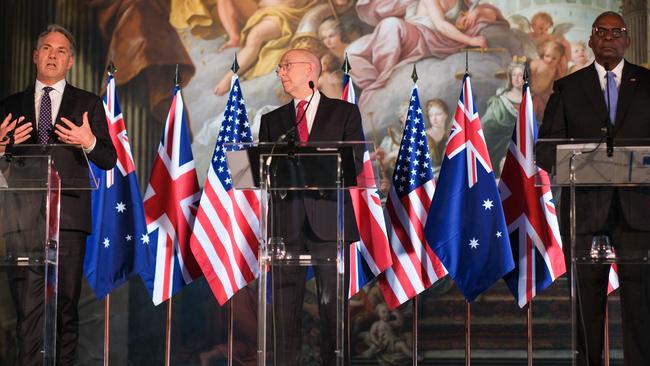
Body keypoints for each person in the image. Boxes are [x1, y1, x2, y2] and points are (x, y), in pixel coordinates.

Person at [536, 11, 650, 366]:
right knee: (587, 299)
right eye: (601, 31)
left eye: (617, 32)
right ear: (590, 40)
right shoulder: (568, 88)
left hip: (638, 210)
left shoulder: (647, 84)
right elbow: (546, 149)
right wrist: (579, 158)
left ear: (627, 40)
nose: (609, 37)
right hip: (585, 210)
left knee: (641, 300)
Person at [0, 24, 117, 366]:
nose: (53, 55)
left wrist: (89, 141)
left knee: (65, 309)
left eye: (61, 51)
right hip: (21, 221)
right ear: (35, 56)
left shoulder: (88, 104)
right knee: (26, 312)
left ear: (70, 62)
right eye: (47, 49)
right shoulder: (8, 105)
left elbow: (108, 159)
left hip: (67, 221)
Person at [258, 48, 364, 366]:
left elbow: (354, 162)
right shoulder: (272, 120)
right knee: (284, 314)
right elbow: (263, 170)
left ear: (309, 71)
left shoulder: (344, 114)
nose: (280, 72)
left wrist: (313, 173)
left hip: (329, 222)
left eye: (286, 66)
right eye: (279, 68)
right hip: (285, 226)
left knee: (333, 312)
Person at [482, 61, 525, 175]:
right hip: (499, 147)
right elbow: (486, 125)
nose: (516, 78)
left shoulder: (530, 100)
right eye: (514, 75)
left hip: (522, 147)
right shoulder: (499, 100)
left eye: (520, 75)